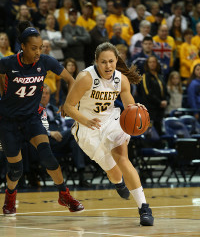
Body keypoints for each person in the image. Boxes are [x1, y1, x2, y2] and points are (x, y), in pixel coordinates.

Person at [62, 42, 154, 226]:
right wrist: (86, 121)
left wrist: (137, 109)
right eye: (103, 62)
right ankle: (118, 182)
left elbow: (129, 106)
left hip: (111, 121)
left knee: (123, 158)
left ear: (116, 61)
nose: (108, 66)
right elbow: (68, 107)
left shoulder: (121, 79)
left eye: (111, 61)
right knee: (113, 172)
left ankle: (144, 208)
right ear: (96, 62)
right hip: (87, 127)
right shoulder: (86, 78)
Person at [0, 21, 84, 216]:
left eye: (40, 48)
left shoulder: (46, 61)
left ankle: (64, 194)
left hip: (31, 118)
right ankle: (10, 196)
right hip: (8, 121)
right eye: (33, 48)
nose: (38, 52)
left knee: (47, 156)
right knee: (16, 169)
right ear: (23, 47)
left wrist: (67, 103)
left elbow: (72, 79)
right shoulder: (8, 63)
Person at [141, 55, 169, 135]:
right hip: (151, 109)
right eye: (150, 62)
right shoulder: (145, 76)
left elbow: (166, 92)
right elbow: (147, 93)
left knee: (160, 131)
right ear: (147, 64)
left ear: (157, 64)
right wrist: (159, 102)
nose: (152, 64)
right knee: (152, 133)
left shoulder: (160, 76)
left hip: (161, 109)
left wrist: (166, 101)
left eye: (154, 62)